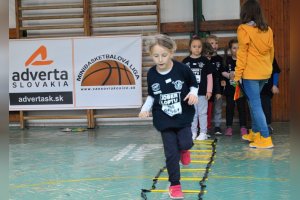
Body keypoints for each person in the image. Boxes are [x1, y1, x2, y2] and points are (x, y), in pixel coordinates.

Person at [139, 34, 198, 199]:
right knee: (171, 153)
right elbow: (152, 95)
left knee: (185, 142)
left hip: (183, 116)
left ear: (171, 52)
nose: (160, 59)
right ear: (151, 55)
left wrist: (193, 94)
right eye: (156, 56)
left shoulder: (182, 69)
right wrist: (145, 109)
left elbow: (194, 84)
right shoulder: (151, 74)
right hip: (163, 119)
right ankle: (175, 185)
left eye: (164, 55)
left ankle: (185, 149)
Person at [234, 0, 274, 148]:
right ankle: (255, 132)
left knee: (255, 104)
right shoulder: (267, 29)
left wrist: (237, 75)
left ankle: (265, 137)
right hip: (265, 72)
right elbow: (271, 52)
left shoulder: (243, 29)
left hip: (250, 73)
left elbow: (242, 54)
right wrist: (268, 69)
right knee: (253, 102)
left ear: (245, 12)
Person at [182, 36, 213, 140]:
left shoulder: (205, 61)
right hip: (191, 94)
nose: (197, 48)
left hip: (202, 93)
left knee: (202, 113)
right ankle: (193, 132)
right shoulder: (185, 62)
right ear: (190, 47)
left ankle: (203, 132)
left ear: (202, 48)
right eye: (194, 46)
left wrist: (209, 90)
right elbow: (183, 78)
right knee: (193, 114)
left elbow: (209, 77)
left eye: (199, 46)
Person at [221, 38, 248, 136]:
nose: (236, 50)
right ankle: (229, 127)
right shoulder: (227, 60)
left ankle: (243, 127)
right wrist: (229, 75)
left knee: (242, 108)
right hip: (230, 90)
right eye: (234, 48)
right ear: (230, 49)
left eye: (239, 48)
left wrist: (240, 74)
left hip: (241, 90)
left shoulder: (244, 60)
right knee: (230, 108)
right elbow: (222, 71)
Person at [206, 35, 224, 135]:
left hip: (217, 88)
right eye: (212, 43)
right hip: (206, 89)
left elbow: (221, 72)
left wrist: (223, 80)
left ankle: (217, 126)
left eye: (216, 43)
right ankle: (206, 127)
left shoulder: (219, 59)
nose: (214, 45)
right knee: (206, 109)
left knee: (217, 107)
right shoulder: (204, 58)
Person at [260, 58, 281, 134]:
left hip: (267, 88)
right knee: (256, 108)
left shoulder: (271, 57)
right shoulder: (254, 55)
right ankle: (257, 127)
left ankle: (267, 125)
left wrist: (275, 85)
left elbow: (276, 72)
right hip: (256, 88)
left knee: (266, 107)